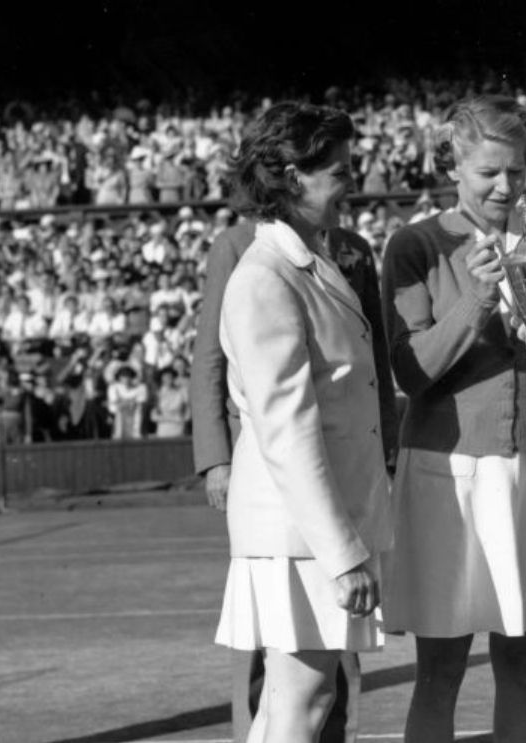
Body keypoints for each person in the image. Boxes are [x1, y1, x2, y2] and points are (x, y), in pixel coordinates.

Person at [380, 94, 526, 743]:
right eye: (488, 171)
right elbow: (411, 370)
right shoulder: (415, 245)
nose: (504, 185)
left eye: (515, 171)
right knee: (440, 672)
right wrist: (480, 296)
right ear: (452, 164)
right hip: (446, 472)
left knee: (521, 668)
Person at [191, 107, 397, 742]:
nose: (351, 181)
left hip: (310, 525)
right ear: (289, 176)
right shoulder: (264, 276)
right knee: (302, 703)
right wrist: (341, 554)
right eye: (338, 170)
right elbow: (287, 429)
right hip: (299, 532)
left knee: (294, 702)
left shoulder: (314, 260)